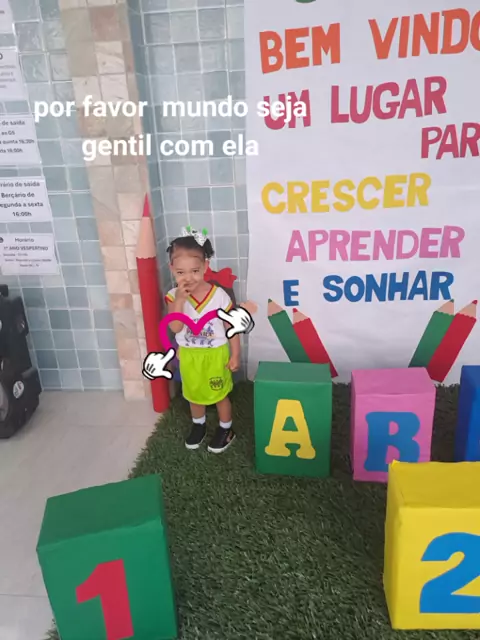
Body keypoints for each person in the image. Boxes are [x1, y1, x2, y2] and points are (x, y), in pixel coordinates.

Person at [165, 227, 240, 453]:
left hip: (216, 355)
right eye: (181, 272)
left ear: (206, 266)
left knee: (220, 395)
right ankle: (199, 425)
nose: (188, 278)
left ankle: (226, 429)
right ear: (172, 269)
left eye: (195, 271)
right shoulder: (173, 296)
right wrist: (180, 301)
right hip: (189, 355)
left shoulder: (219, 296)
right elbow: (175, 327)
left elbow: (231, 327)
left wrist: (235, 354)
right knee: (193, 394)